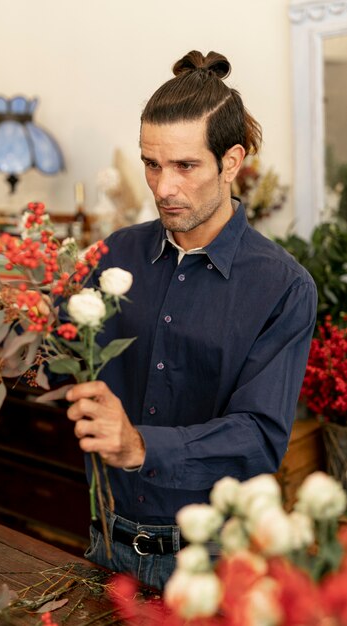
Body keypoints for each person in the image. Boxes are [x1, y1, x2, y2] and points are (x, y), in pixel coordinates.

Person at [66, 49, 317, 589]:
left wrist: (140, 446)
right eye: (151, 164)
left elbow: (259, 437)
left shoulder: (283, 286)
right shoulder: (113, 255)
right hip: (103, 541)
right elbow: (66, 362)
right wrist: (21, 328)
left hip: (210, 568)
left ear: (231, 162)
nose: (162, 188)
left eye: (184, 166)